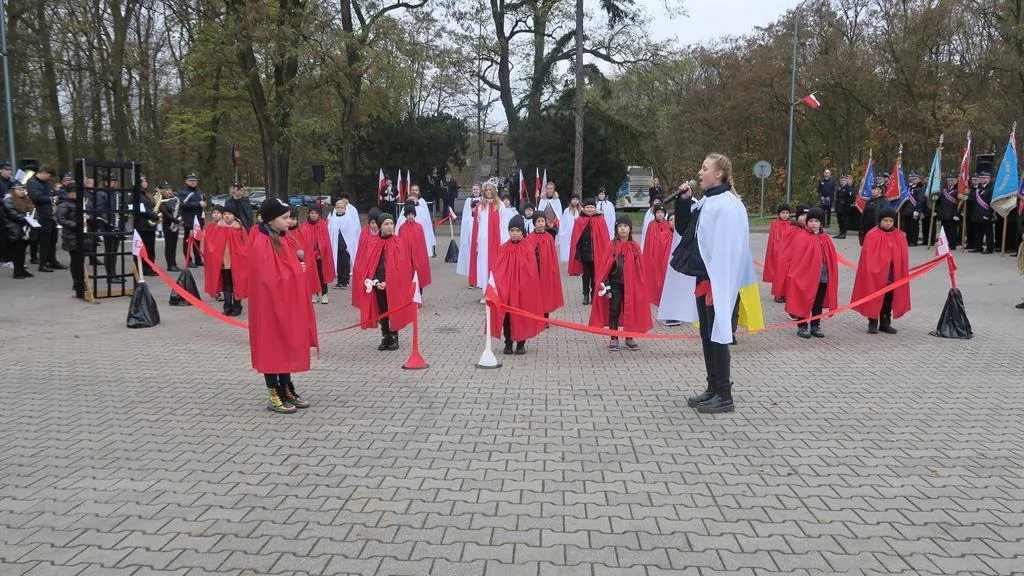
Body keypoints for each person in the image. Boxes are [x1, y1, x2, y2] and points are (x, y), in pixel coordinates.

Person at [675, 153, 755, 414]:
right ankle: (712, 388)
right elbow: (686, 230)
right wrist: (684, 202)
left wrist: (720, 278)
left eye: (704, 168)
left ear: (718, 174)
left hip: (718, 277)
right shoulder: (708, 202)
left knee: (719, 332)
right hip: (705, 276)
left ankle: (725, 394)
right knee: (707, 332)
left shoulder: (728, 204)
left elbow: (730, 246)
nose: (700, 172)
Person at [247, 198, 317, 413]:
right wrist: (295, 272)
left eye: (289, 218)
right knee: (272, 346)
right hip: (270, 307)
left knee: (285, 345)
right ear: (270, 220)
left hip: (286, 303)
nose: (289, 222)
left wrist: (298, 269)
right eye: (284, 218)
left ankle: (287, 387)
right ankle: (273, 391)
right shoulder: (262, 242)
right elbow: (268, 278)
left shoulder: (284, 238)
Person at [352, 211, 415, 351]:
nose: (390, 227)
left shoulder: (398, 242)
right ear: (380, 226)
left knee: (393, 309)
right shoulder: (373, 242)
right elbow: (367, 264)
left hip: (393, 284)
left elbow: (403, 267)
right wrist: (374, 281)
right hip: (377, 283)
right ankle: (384, 335)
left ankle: (394, 335)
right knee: (382, 311)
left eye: (392, 224)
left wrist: (389, 282)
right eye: (386, 224)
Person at [590, 215, 650, 351]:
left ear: (630, 229)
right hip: (615, 284)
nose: (623, 229)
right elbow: (605, 269)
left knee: (630, 311)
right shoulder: (612, 245)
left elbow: (640, 270)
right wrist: (608, 288)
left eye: (625, 226)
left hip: (631, 286)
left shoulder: (635, 246)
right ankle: (614, 338)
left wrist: (639, 287)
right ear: (616, 229)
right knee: (614, 311)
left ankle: (629, 337)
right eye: (620, 227)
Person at [491, 215, 545, 355]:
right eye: (512, 230)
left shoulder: (528, 248)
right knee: (507, 317)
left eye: (517, 230)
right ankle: (508, 343)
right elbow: (498, 269)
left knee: (522, 317)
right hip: (507, 290)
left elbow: (531, 271)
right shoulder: (504, 248)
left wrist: (526, 286)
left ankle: (521, 343)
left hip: (522, 289)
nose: (514, 233)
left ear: (522, 231)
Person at [852, 206, 910, 334]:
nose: (888, 223)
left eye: (891, 221)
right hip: (876, 274)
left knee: (888, 299)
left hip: (892, 274)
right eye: (885, 220)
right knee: (875, 297)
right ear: (880, 221)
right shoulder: (872, 235)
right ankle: (872, 321)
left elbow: (902, 256)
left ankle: (885, 322)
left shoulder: (899, 236)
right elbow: (868, 257)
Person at [784, 208, 838, 338]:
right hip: (806, 278)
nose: (814, 224)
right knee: (804, 300)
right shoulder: (802, 237)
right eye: (811, 221)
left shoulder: (825, 239)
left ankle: (815, 325)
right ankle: (802, 326)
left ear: (821, 223)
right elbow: (798, 259)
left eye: (817, 221)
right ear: (807, 222)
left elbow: (830, 259)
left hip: (822, 277)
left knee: (818, 303)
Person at [464, 183, 514, 291]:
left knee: (496, 265)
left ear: (494, 191)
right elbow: (477, 224)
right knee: (484, 264)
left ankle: (496, 291)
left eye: (490, 190)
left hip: (497, 239)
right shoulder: (480, 206)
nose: (488, 192)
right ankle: (486, 292)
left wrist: (505, 241)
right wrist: (477, 241)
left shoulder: (500, 205)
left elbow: (505, 224)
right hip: (484, 240)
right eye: (486, 190)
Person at [203, 203, 249, 316]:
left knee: (236, 284)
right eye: (225, 214)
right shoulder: (218, 228)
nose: (226, 216)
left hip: (236, 263)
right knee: (226, 285)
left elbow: (246, 246)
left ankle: (237, 306)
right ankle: (227, 306)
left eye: (229, 214)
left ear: (234, 215)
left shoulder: (240, 229)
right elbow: (212, 245)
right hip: (223, 263)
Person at [569, 198, 612, 305]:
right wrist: (577, 253)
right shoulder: (579, 220)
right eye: (587, 207)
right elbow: (576, 238)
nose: (589, 209)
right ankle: (585, 294)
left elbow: (604, 237)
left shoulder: (600, 219)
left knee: (595, 275)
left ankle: (594, 294)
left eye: (591, 207)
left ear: (595, 208)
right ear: (584, 208)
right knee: (586, 275)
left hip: (597, 254)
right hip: (584, 253)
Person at [527, 212, 563, 321]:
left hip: (546, 270)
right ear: (534, 223)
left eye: (542, 221)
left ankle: (545, 317)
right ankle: (535, 316)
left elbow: (552, 256)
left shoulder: (549, 238)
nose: (541, 224)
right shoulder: (529, 238)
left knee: (545, 293)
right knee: (534, 293)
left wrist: (553, 269)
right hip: (534, 270)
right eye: (538, 221)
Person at [27, 166, 63, 272]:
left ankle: (52, 260)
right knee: (44, 241)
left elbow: (53, 192)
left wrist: (57, 196)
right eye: (49, 176)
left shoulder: (47, 182)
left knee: (53, 240)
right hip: (40, 214)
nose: (49, 178)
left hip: (50, 214)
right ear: (43, 172)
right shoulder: (32, 182)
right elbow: (35, 197)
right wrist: (50, 198)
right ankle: (43, 263)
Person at [771, 205, 808, 303]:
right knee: (782, 275)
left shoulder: (808, 230)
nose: (804, 217)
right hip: (786, 257)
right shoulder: (791, 229)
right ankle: (779, 294)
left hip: (799, 259)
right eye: (802, 215)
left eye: (807, 215)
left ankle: (790, 294)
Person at [299, 206, 336, 304]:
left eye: (315, 213)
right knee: (311, 274)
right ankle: (314, 293)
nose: (313, 215)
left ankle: (324, 293)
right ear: (308, 214)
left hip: (321, 255)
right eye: (312, 213)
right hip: (309, 256)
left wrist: (320, 252)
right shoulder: (304, 227)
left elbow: (326, 241)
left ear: (318, 214)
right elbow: (303, 243)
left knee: (322, 274)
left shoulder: (323, 225)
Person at [56, 184, 87, 294]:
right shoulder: (64, 204)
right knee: (76, 260)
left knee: (80, 259)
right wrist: (77, 225)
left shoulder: (79, 203)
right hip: (71, 235)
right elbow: (61, 219)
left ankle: (81, 281)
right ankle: (78, 282)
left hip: (81, 234)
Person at [397, 202, 432, 292]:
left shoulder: (419, 227)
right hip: (406, 257)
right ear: (405, 215)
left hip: (418, 256)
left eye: (412, 214)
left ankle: (419, 294)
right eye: (408, 214)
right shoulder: (402, 228)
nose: (410, 216)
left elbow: (422, 243)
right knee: (407, 276)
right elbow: (400, 243)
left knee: (418, 275)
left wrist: (422, 255)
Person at [2, 181, 34, 279]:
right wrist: (27, 218)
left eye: (23, 189)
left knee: (22, 251)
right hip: (14, 229)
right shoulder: (8, 200)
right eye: (19, 189)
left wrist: (32, 217)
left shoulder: (25, 199)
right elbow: (13, 215)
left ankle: (22, 270)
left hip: (24, 228)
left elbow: (32, 210)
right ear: (13, 190)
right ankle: (17, 272)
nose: (22, 191)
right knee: (17, 252)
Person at [642, 204, 673, 305]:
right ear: (655, 214)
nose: (660, 214)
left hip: (665, 255)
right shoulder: (651, 225)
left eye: (662, 213)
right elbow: (649, 242)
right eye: (658, 213)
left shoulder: (668, 224)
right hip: (654, 255)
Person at [396, 185, 437, 258]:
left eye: (413, 199)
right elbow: (400, 222)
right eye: (410, 199)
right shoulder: (404, 208)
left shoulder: (421, 209)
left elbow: (425, 222)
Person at [328, 196, 359, 288]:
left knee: (345, 263)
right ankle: (339, 280)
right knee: (338, 263)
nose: (340, 209)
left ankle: (346, 280)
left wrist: (349, 244)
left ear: (345, 208)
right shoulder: (333, 219)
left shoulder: (348, 219)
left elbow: (351, 232)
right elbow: (331, 231)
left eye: (342, 208)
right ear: (335, 208)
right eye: (338, 208)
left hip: (345, 245)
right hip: (336, 244)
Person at [762, 203, 791, 300]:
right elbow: (773, 240)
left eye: (787, 213)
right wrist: (776, 251)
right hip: (777, 253)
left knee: (787, 275)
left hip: (788, 254)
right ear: (779, 214)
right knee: (777, 275)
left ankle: (785, 293)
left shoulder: (791, 224)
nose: (785, 215)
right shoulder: (775, 224)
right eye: (783, 212)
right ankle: (778, 294)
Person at [455, 184, 483, 282]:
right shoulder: (468, 200)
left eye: (477, 189)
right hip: (470, 225)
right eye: (474, 189)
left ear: (480, 190)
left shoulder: (483, 200)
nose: (475, 191)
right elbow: (466, 215)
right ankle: (472, 275)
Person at [134, 176, 160, 277]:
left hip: (150, 225)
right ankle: (144, 268)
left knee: (150, 247)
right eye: (142, 181)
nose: (145, 183)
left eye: (146, 181)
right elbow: (143, 209)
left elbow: (151, 207)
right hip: (143, 225)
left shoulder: (146, 194)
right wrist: (155, 216)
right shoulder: (137, 195)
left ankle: (149, 266)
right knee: (145, 247)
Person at [178, 173, 206, 267]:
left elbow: (203, 202)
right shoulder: (183, 192)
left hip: (199, 219)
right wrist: (198, 203)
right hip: (189, 220)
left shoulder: (199, 191)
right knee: (188, 242)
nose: (193, 182)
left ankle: (198, 259)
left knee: (197, 240)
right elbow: (183, 205)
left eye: (195, 181)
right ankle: (188, 260)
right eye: (191, 181)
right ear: (186, 181)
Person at [934, 174, 963, 251]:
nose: (950, 182)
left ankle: (952, 245)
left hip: (952, 214)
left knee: (952, 231)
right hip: (944, 214)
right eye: (949, 180)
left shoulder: (958, 191)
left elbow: (960, 203)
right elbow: (939, 203)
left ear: (957, 181)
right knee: (944, 230)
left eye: (953, 180)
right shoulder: (944, 190)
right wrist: (936, 198)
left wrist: (957, 213)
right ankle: (944, 244)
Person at [969, 171, 995, 253]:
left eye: (984, 178)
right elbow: (972, 199)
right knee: (978, 232)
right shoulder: (977, 188)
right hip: (977, 214)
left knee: (988, 232)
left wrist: (989, 214)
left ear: (989, 179)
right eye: (981, 178)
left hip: (986, 213)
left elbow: (992, 202)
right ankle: (978, 247)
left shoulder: (991, 188)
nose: (982, 179)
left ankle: (989, 248)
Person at [899, 171, 928, 246]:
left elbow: (921, 200)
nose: (913, 180)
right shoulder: (908, 188)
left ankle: (913, 241)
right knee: (907, 227)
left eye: (915, 178)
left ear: (919, 179)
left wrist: (917, 210)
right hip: (906, 210)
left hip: (914, 210)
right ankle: (908, 240)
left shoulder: (921, 188)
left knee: (914, 227)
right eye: (911, 178)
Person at [556, 194, 582, 261]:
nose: (575, 201)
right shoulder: (567, 210)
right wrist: (562, 232)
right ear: (571, 200)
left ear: (579, 201)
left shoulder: (581, 210)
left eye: (576, 199)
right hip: (568, 232)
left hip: (578, 232)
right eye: (574, 199)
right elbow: (563, 222)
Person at [833, 174, 854, 239]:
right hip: (839, 206)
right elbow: (837, 197)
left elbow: (851, 198)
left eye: (843, 180)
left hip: (844, 207)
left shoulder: (848, 187)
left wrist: (846, 205)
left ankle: (843, 233)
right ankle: (840, 233)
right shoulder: (840, 187)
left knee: (844, 220)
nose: (842, 181)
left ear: (846, 181)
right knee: (839, 221)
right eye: (841, 180)